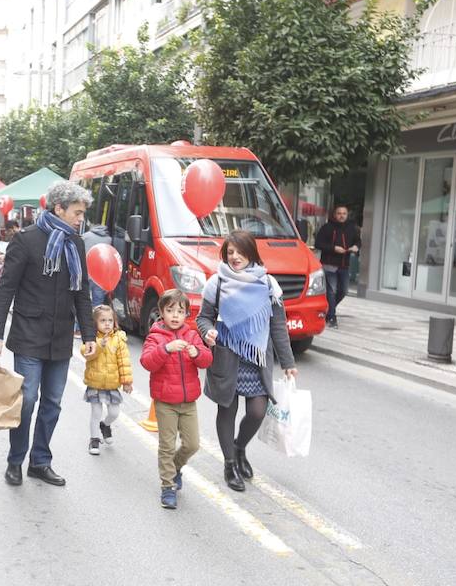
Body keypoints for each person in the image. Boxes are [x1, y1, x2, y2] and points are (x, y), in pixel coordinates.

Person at [0, 181, 97, 487]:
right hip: (29, 335)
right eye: (76, 212)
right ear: (58, 208)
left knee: (52, 403)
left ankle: (40, 461)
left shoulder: (76, 244)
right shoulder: (27, 240)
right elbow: (6, 289)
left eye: (82, 213)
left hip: (61, 337)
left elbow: (82, 292)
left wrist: (89, 335)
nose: (80, 219)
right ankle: (15, 460)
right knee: (27, 399)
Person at [196, 230, 298, 493]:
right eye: (230, 252)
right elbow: (203, 318)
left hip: (256, 358)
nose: (235, 257)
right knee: (226, 411)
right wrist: (207, 332)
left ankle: (240, 447)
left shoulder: (267, 284)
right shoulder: (216, 283)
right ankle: (230, 464)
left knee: (256, 412)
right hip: (227, 356)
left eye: (240, 252)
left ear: (251, 252)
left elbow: (278, 326)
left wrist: (288, 362)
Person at [140, 290, 212, 509]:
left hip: (188, 401)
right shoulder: (155, 336)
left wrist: (196, 354)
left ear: (186, 314)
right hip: (165, 402)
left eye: (180, 311)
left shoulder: (191, 335)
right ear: (161, 312)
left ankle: (175, 467)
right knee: (167, 445)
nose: (174, 315)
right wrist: (166, 349)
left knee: (192, 444)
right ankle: (168, 486)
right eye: (169, 310)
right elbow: (147, 362)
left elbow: (207, 359)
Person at [81, 304, 132, 457]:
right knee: (96, 413)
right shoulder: (91, 339)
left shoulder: (119, 339)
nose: (107, 324)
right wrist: (98, 346)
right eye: (103, 320)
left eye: (110, 320)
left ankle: (106, 425)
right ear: (95, 323)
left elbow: (124, 362)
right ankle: (94, 438)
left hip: (111, 385)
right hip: (95, 383)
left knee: (114, 412)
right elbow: (86, 353)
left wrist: (127, 381)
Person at [314, 205, 361, 329]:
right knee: (331, 290)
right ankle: (331, 317)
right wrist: (334, 248)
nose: (341, 215)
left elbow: (358, 241)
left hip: (344, 265)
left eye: (344, 213)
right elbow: (318, 243)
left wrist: (356, 247)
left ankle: (328, 309)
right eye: (339, 213)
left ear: (347, 215)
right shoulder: (327, 228)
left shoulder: (351, 228)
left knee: (343, 291)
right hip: (329, 264)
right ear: (335, 214)